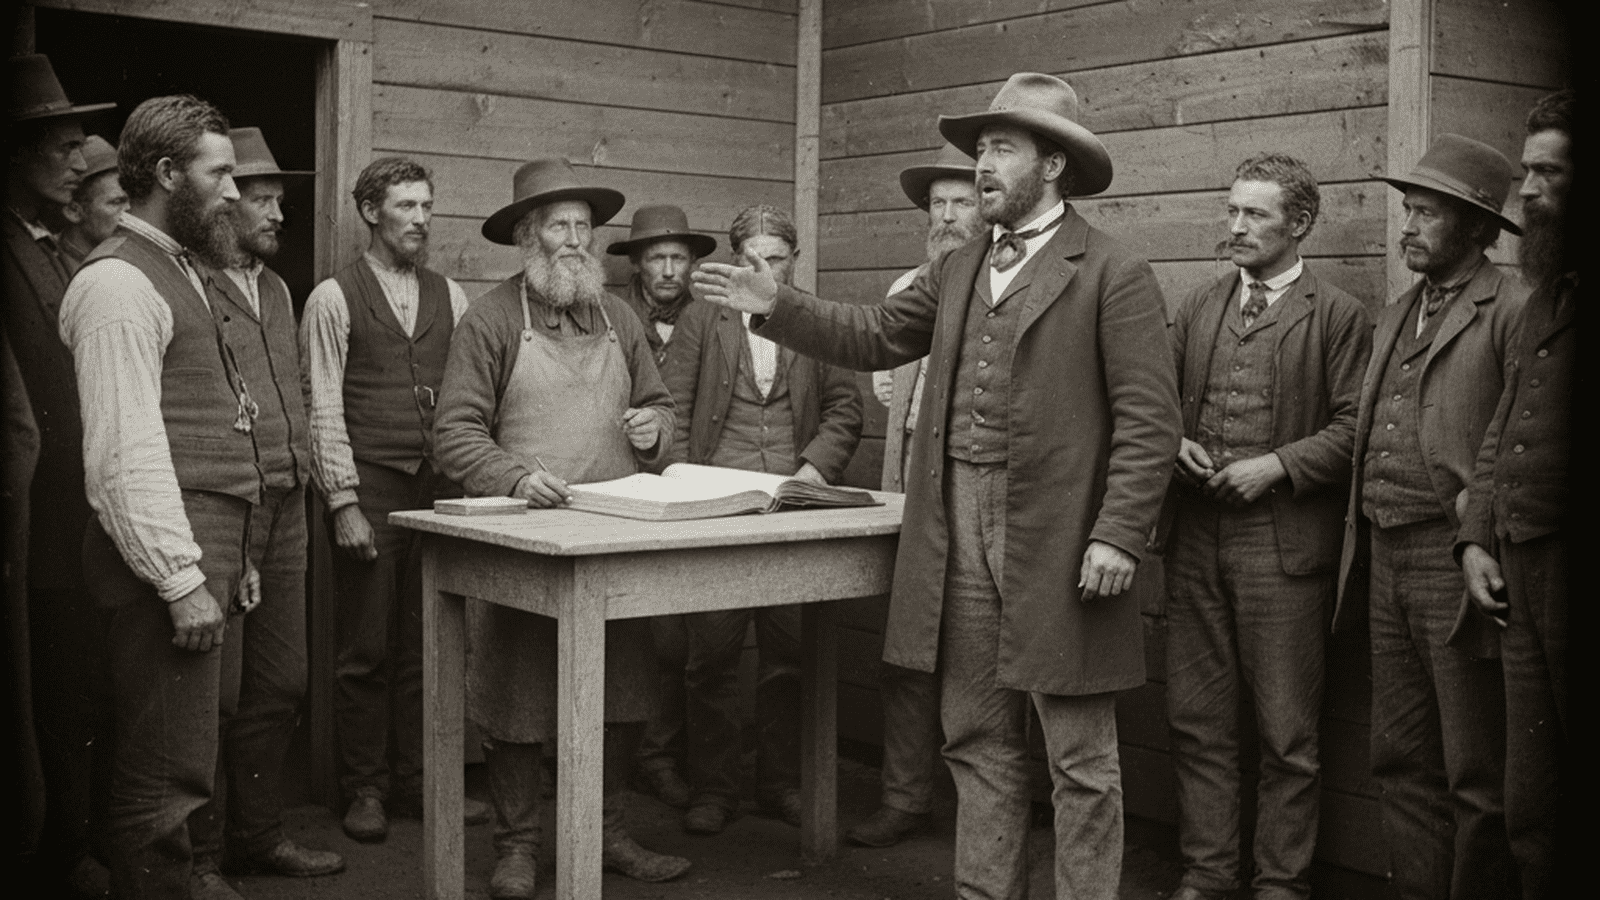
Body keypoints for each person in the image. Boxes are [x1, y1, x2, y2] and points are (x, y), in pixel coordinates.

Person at [691, 72, 1182, 900]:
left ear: (1053, 164)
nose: (982, 167)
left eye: (1001, 150)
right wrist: (776, 304)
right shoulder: (958, 266)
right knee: (976, 733)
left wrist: (1118, 532)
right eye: (980, 150)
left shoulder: (1112, 272)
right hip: (955, 521)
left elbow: (1149, 421)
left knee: (1078, 755)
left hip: (1060, 535)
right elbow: (878, 333)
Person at [433, 157, 692, 898]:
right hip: (522, 539)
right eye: (559, 227)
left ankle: (608, 835)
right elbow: (453, 435)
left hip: (612, 538)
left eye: (585, 226)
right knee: (516, 697)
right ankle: (516, 849)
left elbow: (664, 408)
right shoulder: (489, 320)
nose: (576, 240)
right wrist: (515, 476)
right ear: (527, 236)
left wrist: (654, 430)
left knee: (624, 691)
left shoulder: (621, 317)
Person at [1163, 153, 1371, 900]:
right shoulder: (1198, 306)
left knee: (1287, 734)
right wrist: (1172, 440)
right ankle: (1209, 873)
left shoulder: (1338, 315)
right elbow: (1152, 403)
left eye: (1254, 215)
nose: (1236, 227)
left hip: (1283, 552)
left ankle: (1281, 883)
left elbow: (1358, 429)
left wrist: (1277, 465)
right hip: (1194, 543)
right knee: (1197, 721)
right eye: (1231, 212)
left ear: (1300, 224)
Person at [58, 92, 246, 900]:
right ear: (168, 174)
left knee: (179, 770)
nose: (235, 191)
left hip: (204, 560)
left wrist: (228, 563)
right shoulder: (119, 285)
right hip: (160, 578)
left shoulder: (179, 268)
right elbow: (122, 458)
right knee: (158, 783)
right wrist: (179, 578)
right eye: (221, 172)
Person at [1333, 134, 1525, 900]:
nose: (1407, 226)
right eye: (1407, 210)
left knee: (1476, 768)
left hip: (1457, 561)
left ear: (1478, 230)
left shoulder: (1514, 307)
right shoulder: (1396, 310)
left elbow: (1517, 441)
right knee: (1400, 757)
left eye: (1427, 214)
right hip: (1383, 556)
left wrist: (1478, 534)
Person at [660, 204, 862, 836]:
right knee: (711, 658)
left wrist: (813, 472)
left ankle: (780, 785)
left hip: (791, 507)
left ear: (793, 263)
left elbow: (844, 411)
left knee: (789, 655)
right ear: (734, 260)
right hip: (719, 509)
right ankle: (713, 788)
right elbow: (672, 407)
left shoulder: (815, 320)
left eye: (777, 259)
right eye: (753, 259)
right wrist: (690, 490)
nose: (765, 270)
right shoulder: (703, 319)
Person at [300, 156, 485, 843]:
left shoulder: (450, 296)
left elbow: (469, 399)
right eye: (406, 207)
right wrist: (342, 500)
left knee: (424, 644)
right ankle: (366, 790)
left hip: (435, 487)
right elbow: (322, 405)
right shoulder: (333, 297)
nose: (420, 220)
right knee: (365, 649)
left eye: (426, 207)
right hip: (371, 484)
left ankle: (417, 784)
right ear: (371, 212)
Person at [181, 127, 344, 898]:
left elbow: (302, 392)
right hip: (219, 514)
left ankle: (258, 837)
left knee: (283, 681)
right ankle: (201, 858)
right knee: (215, 692)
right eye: (265, 199)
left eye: (282, 199)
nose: (280, 213)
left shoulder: (278, 290)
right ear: (224, 203)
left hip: (285, 508)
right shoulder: (188, 283)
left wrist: (307, 464)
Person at [1457, 88, 1575, 900]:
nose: (1527, 191)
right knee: (1533, 801)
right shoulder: (1551, 294)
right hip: (1525, 574)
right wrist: (1475, 537)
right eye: (1527, 171)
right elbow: (1505, 425)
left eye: (1549, 173)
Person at [3, 53, 113, 898]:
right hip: (29, 526)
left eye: (82, 144)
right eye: (62, 146)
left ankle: (73, 846)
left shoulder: (49, 250)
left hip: (69, 524)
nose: (79, 161)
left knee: (71, 690)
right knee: (42, 696)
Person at [851, 142, 982, 849]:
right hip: (909, 493)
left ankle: (982, 810)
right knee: (904, 650)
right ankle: (905, 797)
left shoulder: (1000, 284)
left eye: (963, 201)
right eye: (939, 203)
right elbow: (890, 394)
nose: (949, 215)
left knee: (978, 659)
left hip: (976, 496)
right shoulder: (909, 287)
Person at [605, 203, 717, 810]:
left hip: (689, 486)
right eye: (657, 258)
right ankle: (605, 761)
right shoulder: (615, 319)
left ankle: (659, 756)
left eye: (680, 258)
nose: (670, 269)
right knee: (628, 635)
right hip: (627, 487)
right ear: (637, 265)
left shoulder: (711, 318)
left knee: (679, 639)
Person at [57, 134, 126, 270]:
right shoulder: (55, 268)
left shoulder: (120, 260)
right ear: (74, 211)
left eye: (132, 201)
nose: (130, 211)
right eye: (117, 202)